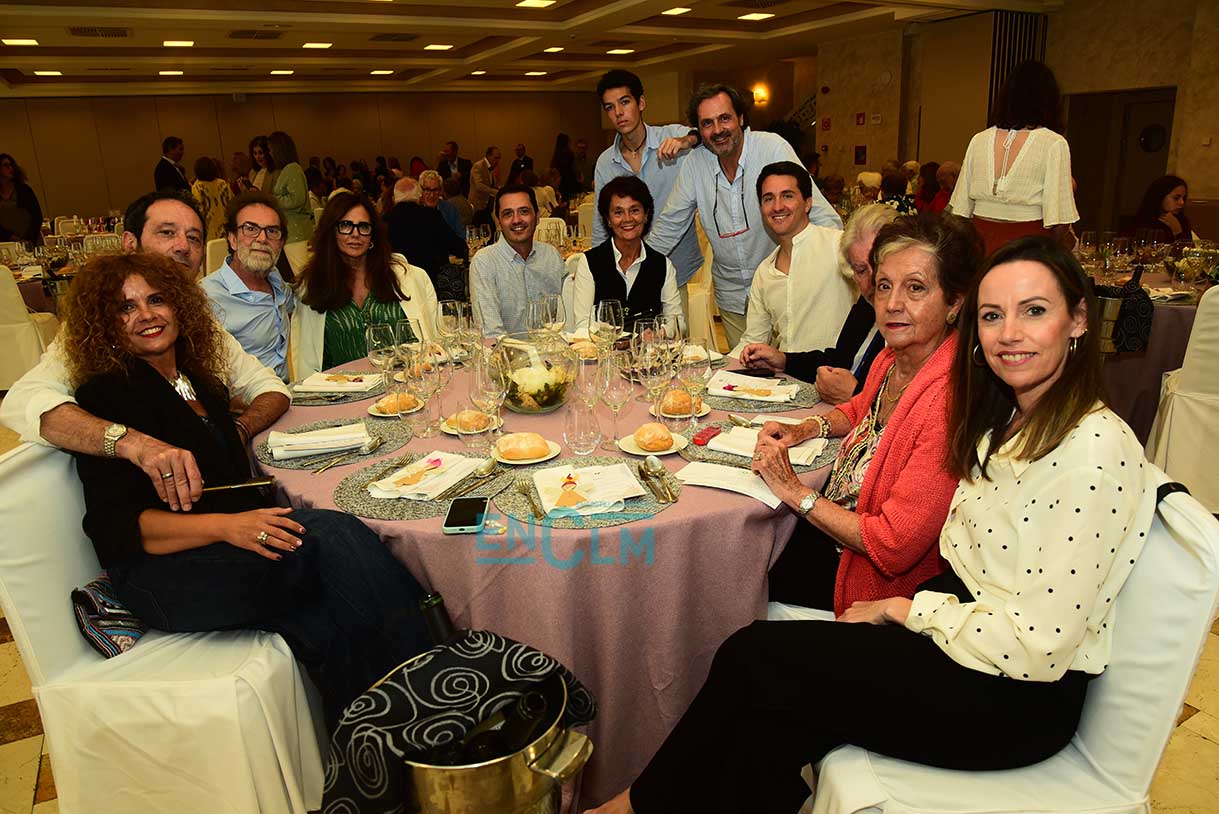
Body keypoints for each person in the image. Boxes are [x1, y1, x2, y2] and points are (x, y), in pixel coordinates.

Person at [586, 234, 1158, 814]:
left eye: (1033, 311)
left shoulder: (1091, 451)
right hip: (961, 637)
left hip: (1012, 698)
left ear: (1078, 319)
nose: (1009, 333)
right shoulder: (1011, 418)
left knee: (751, 656)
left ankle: (630, 807)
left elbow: (1038, 645)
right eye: (994, 315)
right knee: (768, 724)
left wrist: (903, 610)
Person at [61, 251, 431, 729]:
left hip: (226, 550)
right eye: (125, 307)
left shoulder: (196, 379)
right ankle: (436, 688)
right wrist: (229, 527)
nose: (146, 315)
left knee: (325, 620)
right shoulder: (105, 397)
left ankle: (377, 743)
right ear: (105, 324)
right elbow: (116, 530)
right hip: (163, 574)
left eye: (156, 300)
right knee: (330, 538)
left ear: (179, 305)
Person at [1, 189, 290, 513]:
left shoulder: (198, 322)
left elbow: (268, 386)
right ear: (129, 242)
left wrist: (236, 432)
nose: (182, 246)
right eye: (167, 232)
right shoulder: (96, 331)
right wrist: (132, 443)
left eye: (194, 238)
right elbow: (23, 400)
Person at [752, 212, 975, 617]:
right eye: (885, 285)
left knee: (740, 587)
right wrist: (805, 428)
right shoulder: (893, 358)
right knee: (744, 551)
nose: (892, 304)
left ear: (954, 303)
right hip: (835, 533)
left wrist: (795, 491)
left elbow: (892, 545)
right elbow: (860, 409)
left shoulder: (948, 401)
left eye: (915, 288)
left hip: (867, 579)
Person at [648, 83, 842, 350]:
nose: (718, 130)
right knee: (744, 371)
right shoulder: (695, 164)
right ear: (699, 131)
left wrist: (829, 275)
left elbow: (821, 215)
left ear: (740, 118)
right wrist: (636, 264)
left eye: (724, 118)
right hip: (733, 298)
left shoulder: (770, 148)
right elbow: (670, 224)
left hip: (785, 291)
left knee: (794, 369)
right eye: (707, 123)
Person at [740, 204, 899, 405]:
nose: (872, 280)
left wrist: (855, 396)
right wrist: (783, 360)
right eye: (860, 270)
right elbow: (837, 361)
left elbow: (912, 405)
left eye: (877, 265)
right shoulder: (866, 304)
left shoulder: (912, 323)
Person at [593, 69, 703, 322]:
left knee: (674, 340)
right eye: (610, 107)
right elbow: (601, 225)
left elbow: (706, 134)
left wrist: (688, 141)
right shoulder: (606, 163)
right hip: (627, 276)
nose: (619, 113)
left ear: (641, 102)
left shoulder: (672, 138)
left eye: (625, 102)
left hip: (675, 268)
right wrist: (596, 268)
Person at [290, 191, 438, 378]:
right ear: (331, 232)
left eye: (363, 227)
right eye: (346, 225)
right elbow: (305, 361)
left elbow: (434, 346)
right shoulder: (312, 287)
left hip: (407, 387)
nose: (355, 234)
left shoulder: (408, 277)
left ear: (372, 235)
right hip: (340, 391)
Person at [950, 60, 1078, 255]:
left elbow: (960, 211)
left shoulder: (979, 139)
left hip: (979, 244)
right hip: (1028, 245)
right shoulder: (1054, 143)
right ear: (1050, 100)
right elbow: (1060, 221)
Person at [730, 161, 855, 356]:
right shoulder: (765, 272)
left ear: (807, 203)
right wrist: (715, 366)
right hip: (785, 373)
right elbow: (753, 339)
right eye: (768, 199)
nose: (777, 206)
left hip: (836, 370)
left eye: (787, 196)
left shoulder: (837, 245)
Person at [200, 190, 294, 380]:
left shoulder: (276, 281)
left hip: (290, 389)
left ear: (281, 244)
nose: (262, 238)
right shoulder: (207, 297)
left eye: (272, 231)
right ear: (232, 239)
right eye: (250, 228)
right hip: (246, 396)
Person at [572, 174, 681, 331]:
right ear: (608, 219)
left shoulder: (662, 265)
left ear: (646, 215)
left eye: (634, 210)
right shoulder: (589, 262)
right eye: (618, 212)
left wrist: (661, 333)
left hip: (647, 346)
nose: (627, 219)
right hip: (603, 345)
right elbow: (583, 324)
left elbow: (677, 322)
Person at [469, 185, 566, 336]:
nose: (516, 220)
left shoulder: (551, 256)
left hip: (551, 347)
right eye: (508, 214)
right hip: (505, 350)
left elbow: (568, 312)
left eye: (524, 211)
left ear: (537, 217)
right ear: (499, 221)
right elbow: (491, 333)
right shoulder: (485, 263)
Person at [383, 176, 468, 284]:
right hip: (429, 282)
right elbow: (458, 247)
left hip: (395, 283)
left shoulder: (383, 222)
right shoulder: (431, 216)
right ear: (419, 196)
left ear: (394, 198)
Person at [268, 131, 314, 244]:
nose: (269, 153)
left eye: (270, 149)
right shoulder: (288, 170)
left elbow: (297, 199)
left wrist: (273, 199)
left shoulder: (292, 169)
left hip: (297, 231)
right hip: (293, 229)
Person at [1128, 174, 1196, 242]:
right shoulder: (1143, 221)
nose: (1182, 202)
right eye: (1176, 198)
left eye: (1183, 198)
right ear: (1160, 196)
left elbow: (1187, 247)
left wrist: (1178, 231)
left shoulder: (1182, 221)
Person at [0, 152, 44, 245]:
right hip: (7, 243)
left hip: (30, 240)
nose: (10, 168)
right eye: (6, 165)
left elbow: (37, 216)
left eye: (12, 165)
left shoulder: (23, 190)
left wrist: (27, 239)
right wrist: (12, 238)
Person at [190, 156, 232, 241]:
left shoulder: (197, 187)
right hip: (225, 227)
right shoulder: (223, 183)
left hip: (208, 230)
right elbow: (231, 202)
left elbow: (199, 210)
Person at [419, 169, 464, 240]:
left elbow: (461, 235)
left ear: (440, 191)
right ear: (421, 191)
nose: (432, 195)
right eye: (427, 190)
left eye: (435, 190)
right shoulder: (415, 211)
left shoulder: (450, 209)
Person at [469, 146, 501, 227]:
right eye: (496, 158)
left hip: (487, 205)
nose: (498, 161)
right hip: (478, 205)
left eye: (499, 158)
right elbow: (479, 186)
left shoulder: (491, 168)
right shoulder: (478, 166)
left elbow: (493, 185)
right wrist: (496, 192)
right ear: (488, 156)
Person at [551, 133, 581, 199]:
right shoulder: (569, 154)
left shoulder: (556, 155)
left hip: (560, 182)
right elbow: (574, 168)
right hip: (570, 181)